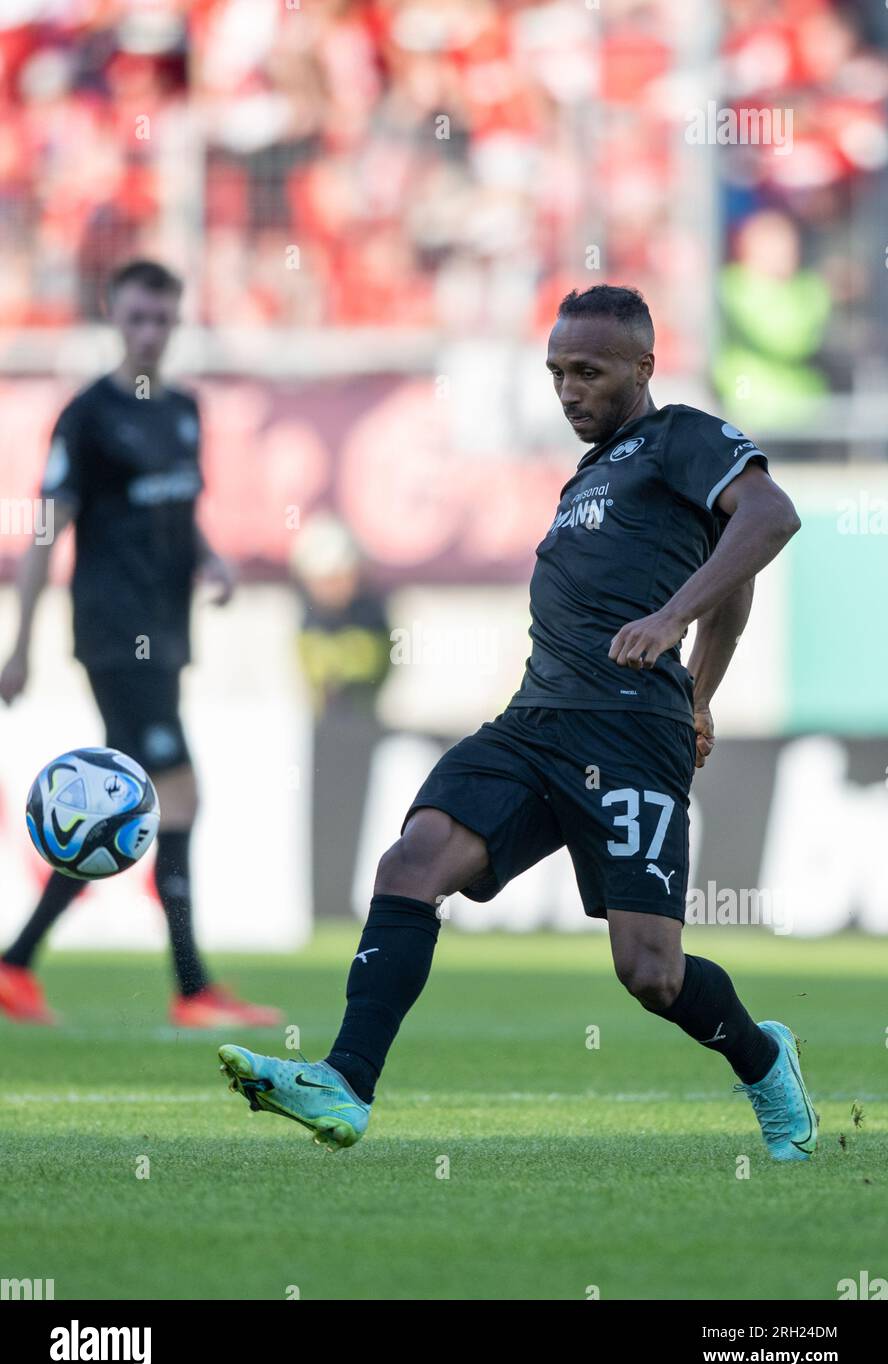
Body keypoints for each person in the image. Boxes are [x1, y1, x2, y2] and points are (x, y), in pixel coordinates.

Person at [218, 284, 816, 1160]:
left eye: (589, 372)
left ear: (645, 368)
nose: (569, 390)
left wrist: (677, 644)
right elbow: (735, 573)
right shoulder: (594, 471)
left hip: (627, 733)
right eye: (556, 373)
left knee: (650, 973)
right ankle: (344, 1084)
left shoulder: (682, 435)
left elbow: (770, 522)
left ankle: (766, 1062)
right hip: (533, 724)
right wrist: (703, 687)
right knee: (412, 862)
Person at [0, 259, 281, 1030]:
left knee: (133, 804)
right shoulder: (86, 415)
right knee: (174, 795)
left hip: (168, 631)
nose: (151, 334)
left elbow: (180, 507)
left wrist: (210, 557)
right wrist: (19, 642)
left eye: (163, 320)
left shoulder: (185, 411)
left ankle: (16, 965)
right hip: (113, 634)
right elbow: (46, 529)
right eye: (138, 319)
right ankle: (192, 991)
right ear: (113, 317)